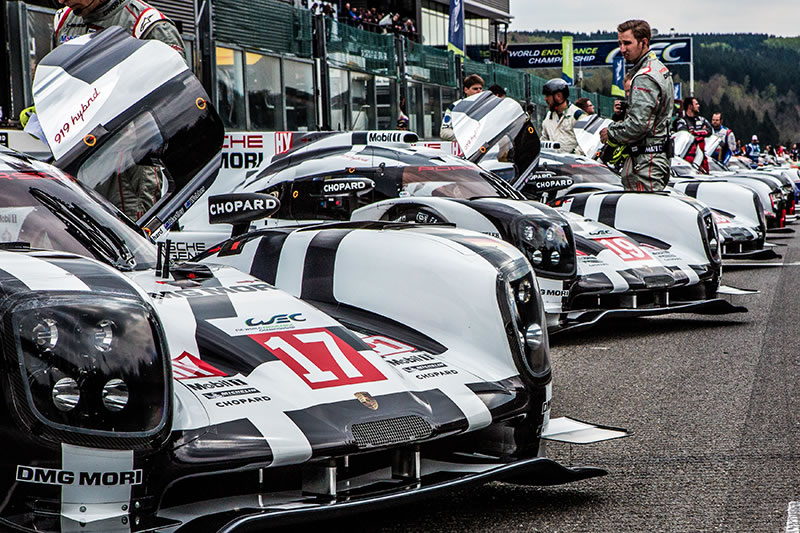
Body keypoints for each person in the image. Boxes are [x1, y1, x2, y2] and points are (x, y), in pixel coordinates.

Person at [53, 0, 186, 221]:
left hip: (130, 157)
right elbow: (58, 80)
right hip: (77, 154)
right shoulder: (64, 20)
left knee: (130, 234)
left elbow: (178, 89)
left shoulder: (144, 23)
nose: (60, 0)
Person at [600, 19, 674, 192]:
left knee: (642, 216)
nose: (622, 49)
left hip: (645, 165)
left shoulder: (644, 77)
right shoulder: (659, 69)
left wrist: (610, 132)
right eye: (620, 43)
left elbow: (638, 125)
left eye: (627, 43)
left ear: (644, 43)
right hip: (653, 159)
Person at [540, 78, 584, 155]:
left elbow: (585, 141)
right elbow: (544, 139)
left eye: (548, 96)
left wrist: (573, 156)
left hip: (573, 164)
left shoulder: (577, 115)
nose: (545, 99)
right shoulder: (548, 116)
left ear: (559, 96)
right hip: (553, 163)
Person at [440, 74, 484, 141]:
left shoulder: (486, 105)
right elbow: (444, 132)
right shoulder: (455, 106)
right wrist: (465, 136)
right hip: (464, 142)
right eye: (475, 89)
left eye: (480, 88)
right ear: (466, 90)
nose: (479, 91)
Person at [674, 97, 712, 172]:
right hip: (686, 157)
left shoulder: (701, 119)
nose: (699, 106)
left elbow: (709, 131)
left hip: (701, 157)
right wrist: (701, 131)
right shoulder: (681, 121)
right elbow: (684, 134)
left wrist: (694, 132)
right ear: (690, 106)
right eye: (696, 104)